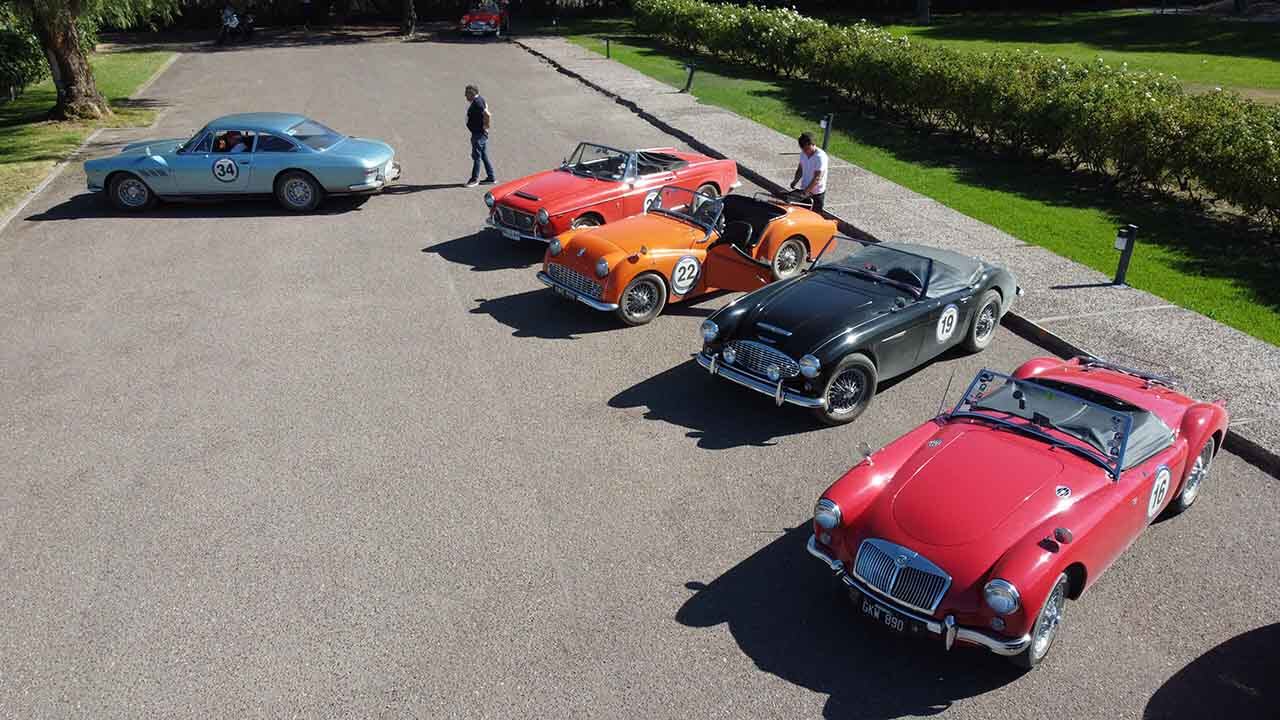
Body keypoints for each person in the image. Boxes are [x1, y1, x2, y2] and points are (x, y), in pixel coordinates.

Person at [464, 84, 495, 188]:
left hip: (479, 134)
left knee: (476, 156)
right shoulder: (479, 100)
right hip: (478, 133)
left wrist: (485, 128)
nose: (465, 95)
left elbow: (487, 115)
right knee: (483, 155)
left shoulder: (477, 103)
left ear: (472, 93)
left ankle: (474, 179)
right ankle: (491, 177)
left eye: (467, 93)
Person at [790, 132, 828, 215]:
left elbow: (817, 178)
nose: (805, 152)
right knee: (801, 215)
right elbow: (800, 168)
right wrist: (795, 181)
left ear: (812, 144)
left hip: (816, 194)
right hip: (804, 190)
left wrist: (806, 192)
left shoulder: (820, 157)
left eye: (807, 149)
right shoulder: (803, 154)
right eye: (803, 149)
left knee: (814, 217)